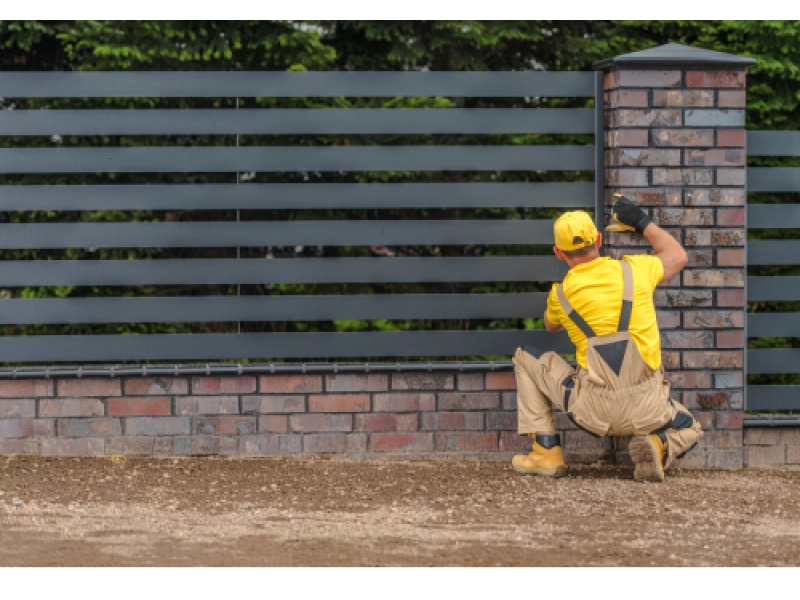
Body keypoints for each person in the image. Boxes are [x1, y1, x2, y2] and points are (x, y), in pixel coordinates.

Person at [511, 196, 703, 482]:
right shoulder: (636, 270)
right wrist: (641, 222)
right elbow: (678, 256)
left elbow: (551, 326)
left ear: (559, 253)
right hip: (648, 410)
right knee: (691, 428)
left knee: (524, 357)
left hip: (592, 412)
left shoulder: (560, 295)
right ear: (598, 240)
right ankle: (659, 442)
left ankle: (545, 452)